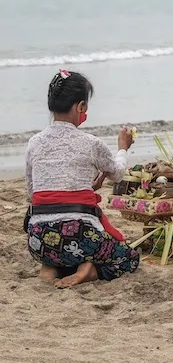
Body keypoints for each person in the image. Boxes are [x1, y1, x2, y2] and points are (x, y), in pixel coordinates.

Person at [25, 70, 138, 288]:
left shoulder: (34, 143)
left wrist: (84, 187)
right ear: (81, 107)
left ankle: (51, 265)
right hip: (80, 236)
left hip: (38, 241)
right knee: (128, 258)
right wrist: (123, 148)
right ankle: (90, 271)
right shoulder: (91, 143)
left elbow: (34, 194)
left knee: (62, 247)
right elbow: (117, 173)